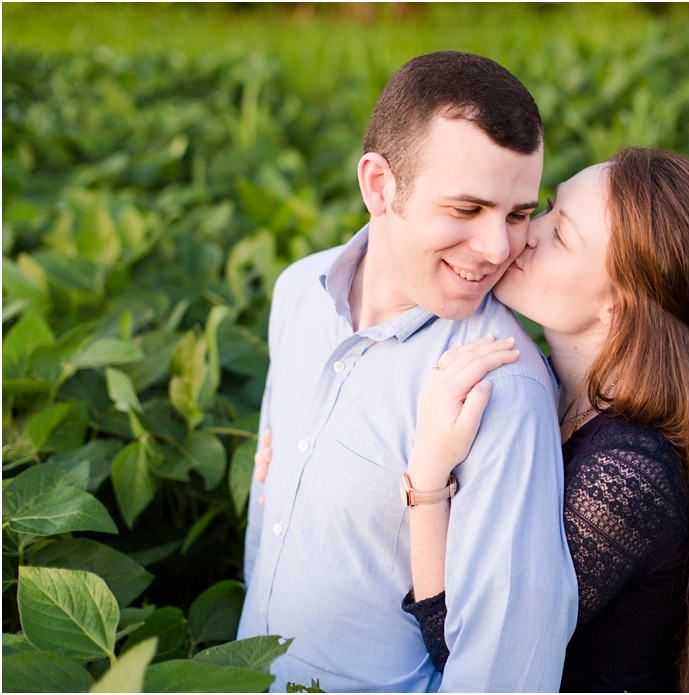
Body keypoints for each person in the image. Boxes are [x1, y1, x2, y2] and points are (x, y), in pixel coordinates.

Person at [257, 149, 689, 691]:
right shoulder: (555, 392)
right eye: (546, 208)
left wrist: (428, 480)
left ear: (619, 306)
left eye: (561, 235)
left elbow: (466, 645)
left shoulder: (627, 480)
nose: (519, 238)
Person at [238, 51, 578, 692]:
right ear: (379, 186)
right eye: (466, 209)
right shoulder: (299, 293)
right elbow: (270, 521)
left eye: (516, 214)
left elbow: (504, 672)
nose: (497, 248)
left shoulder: (500, 386)